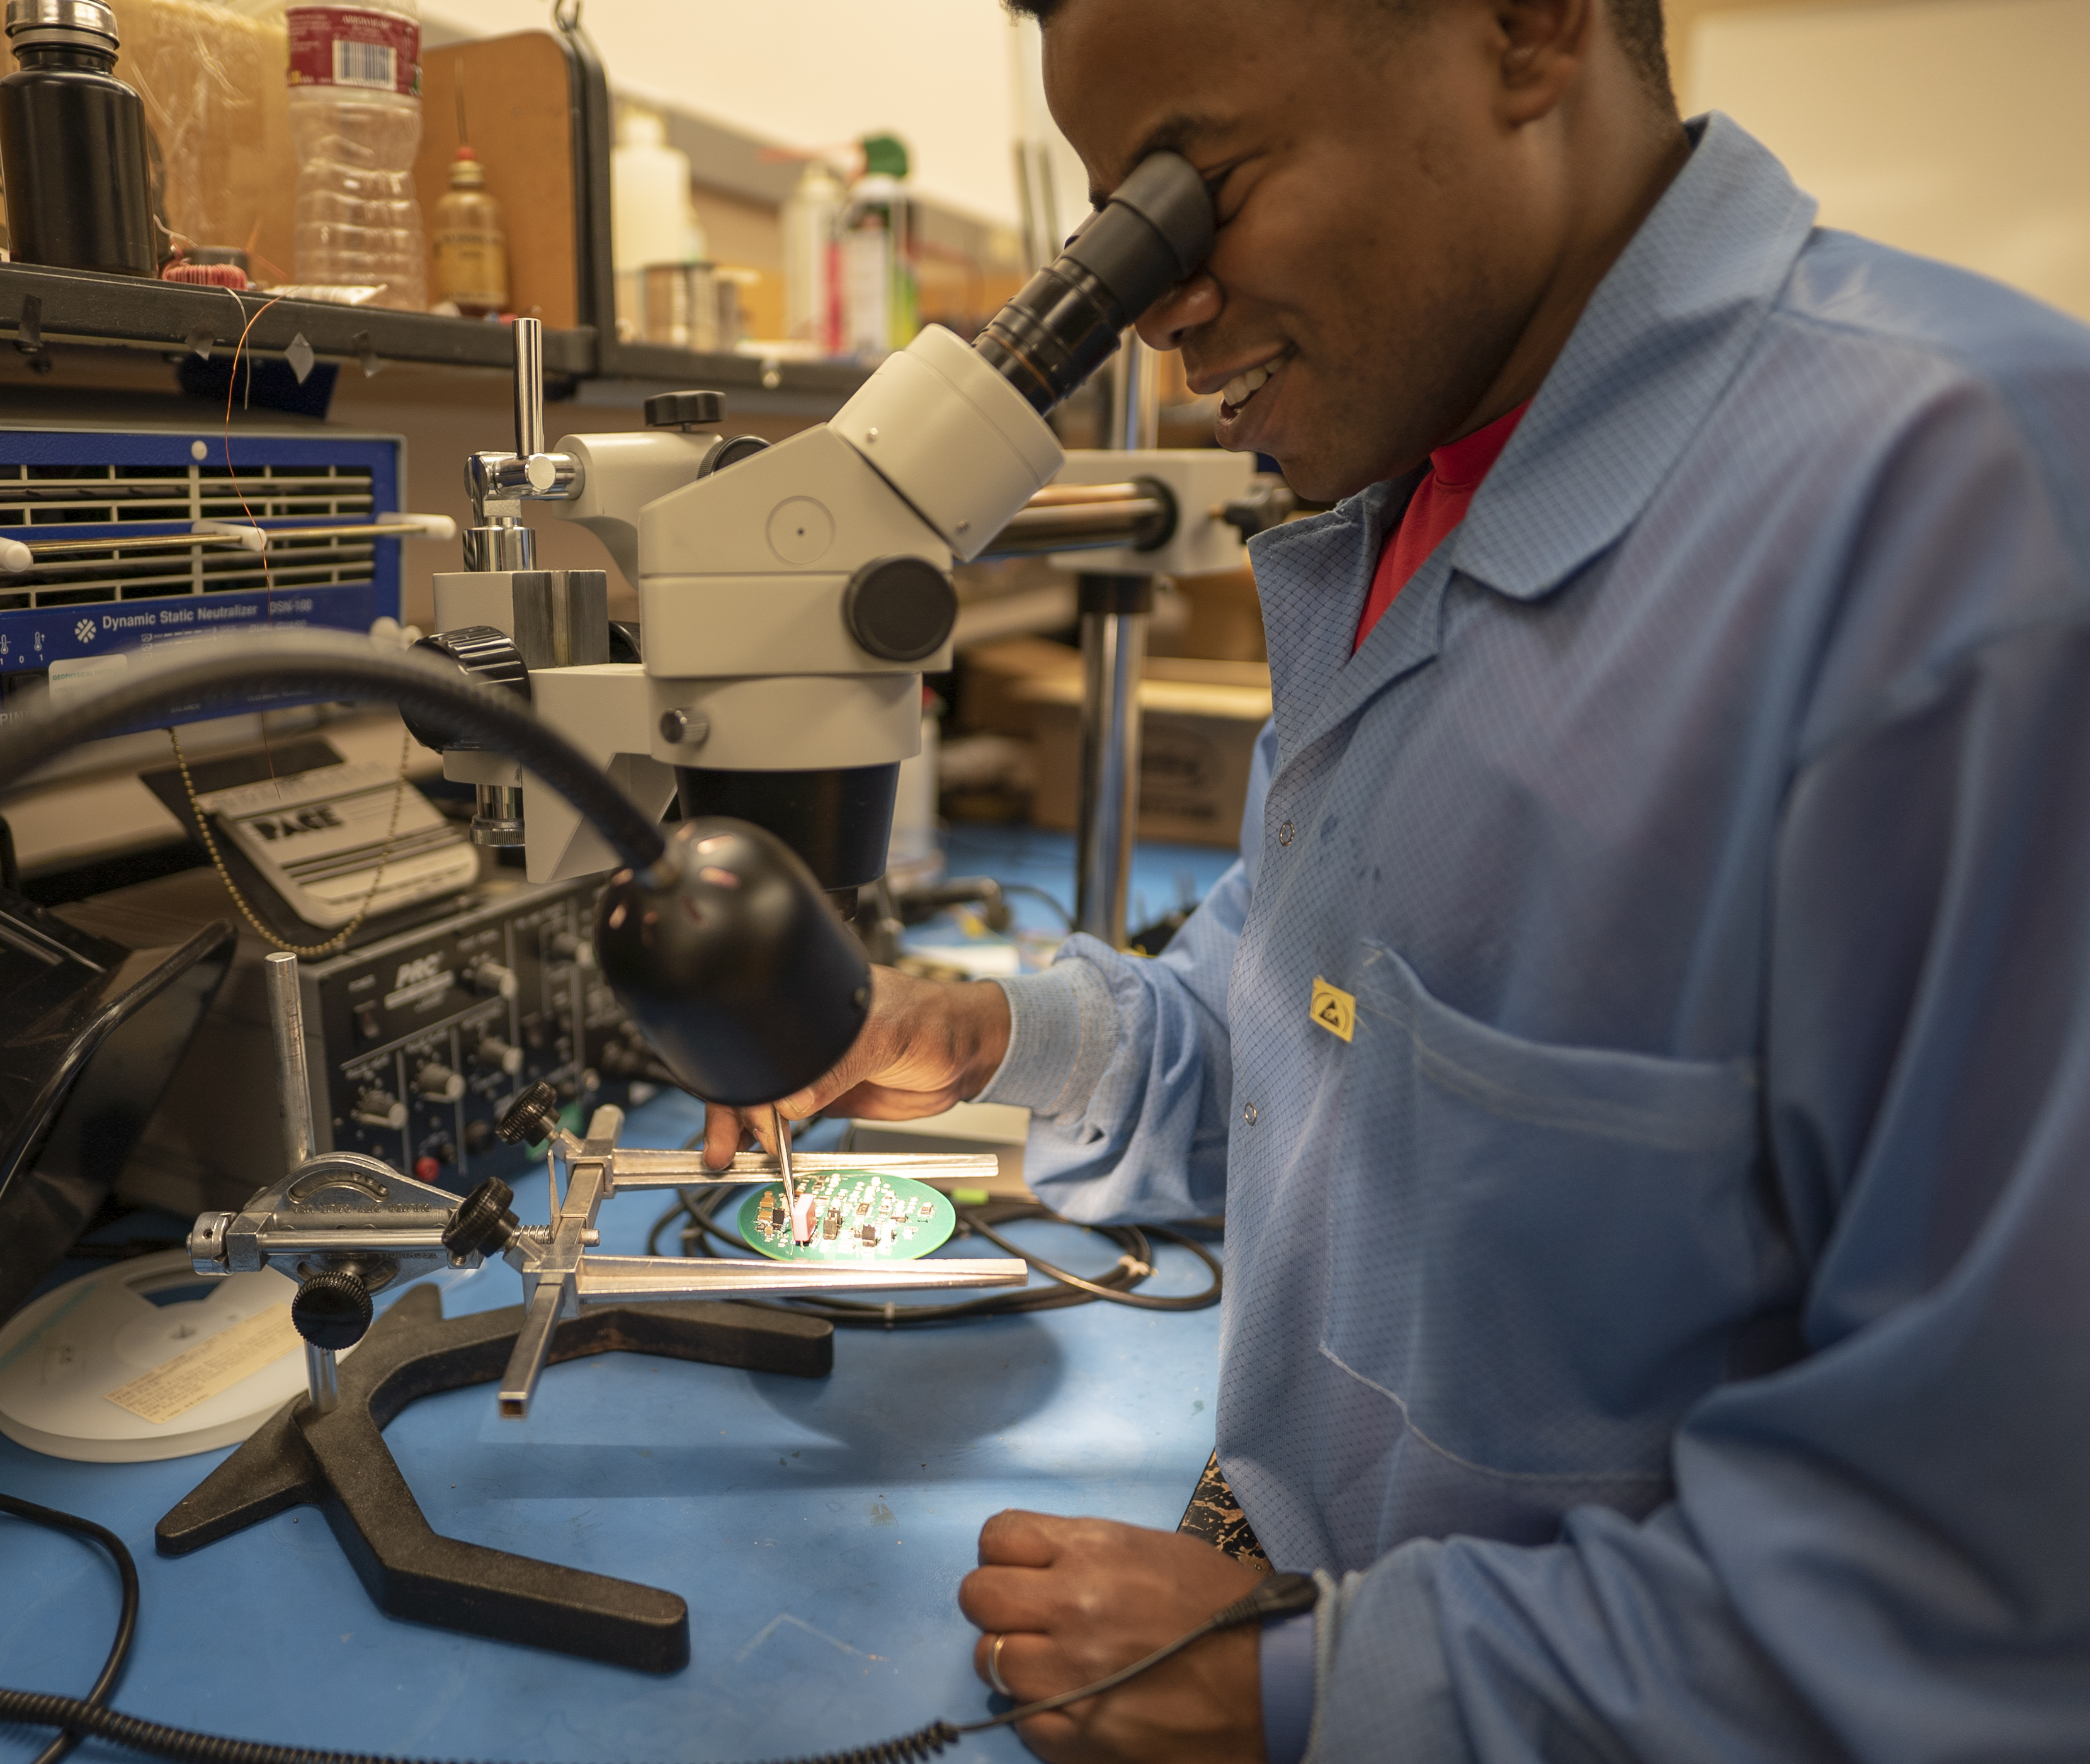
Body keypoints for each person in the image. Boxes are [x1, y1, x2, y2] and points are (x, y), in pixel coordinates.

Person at [705, 0, 2090, 1758]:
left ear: (1522, 31)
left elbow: (1991, 1597)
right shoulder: (1411, 504)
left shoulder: (1971, 535)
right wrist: (985, 1034)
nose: (1154, 298)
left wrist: (1302, 1682)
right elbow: (1314, 1054)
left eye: (1192, 189)